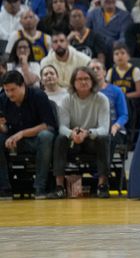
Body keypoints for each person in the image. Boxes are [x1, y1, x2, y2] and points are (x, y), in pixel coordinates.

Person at [51, 66, 111, 199]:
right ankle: (59, 186)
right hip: (74, 140)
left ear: (92, 81)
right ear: (73, 82)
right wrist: (72, 134)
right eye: (79, 79)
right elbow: (62, 127)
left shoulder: (102, 99)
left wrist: (87, 133)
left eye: (86, 79)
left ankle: (102, 185)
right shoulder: (67, 99)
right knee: (60, 138)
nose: (83, 82)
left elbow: (104, 128)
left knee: (104, 138)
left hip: (92, 139)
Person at [0, 70, 57, 199]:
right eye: (6, 90)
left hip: (36, 140)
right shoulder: (2, 98)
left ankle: (40, 187)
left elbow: (48, 124)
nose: (9, 94)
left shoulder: (38, 95)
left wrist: (22, 133)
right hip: (13, 140)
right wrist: (1, 127)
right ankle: (4, 188)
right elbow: (5, 129)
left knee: (46, 136)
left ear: (22, 85)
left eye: (12, 90)